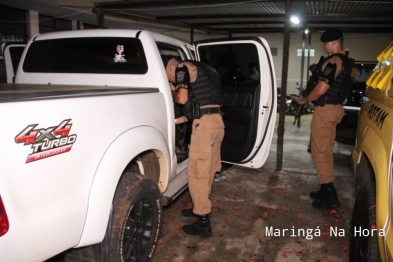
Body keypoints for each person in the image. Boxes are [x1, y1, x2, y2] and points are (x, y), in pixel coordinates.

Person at [162, 55, 225, 237]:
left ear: (170, 67)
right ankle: (199, 205)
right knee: (209, 170)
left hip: (204, 128)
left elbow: (182, 99)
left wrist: (169, 91)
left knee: (197, 172)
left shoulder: (182, 68)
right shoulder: (208, 71)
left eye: (168, 77)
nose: (170, 80)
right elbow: (198, 108)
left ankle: (203, 221)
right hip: (217, 123)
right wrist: (174, 121)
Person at [298, 29, 353, 210]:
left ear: (335, 42)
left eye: (325, 43)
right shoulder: (348, 62)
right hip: (334, 109)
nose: (323, 46)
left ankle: (330, 196)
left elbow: (321, 89)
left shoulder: (334, 61)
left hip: (326, 110)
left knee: (320, 152)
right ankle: (324, 188)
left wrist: (305, 99)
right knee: (326, 151)